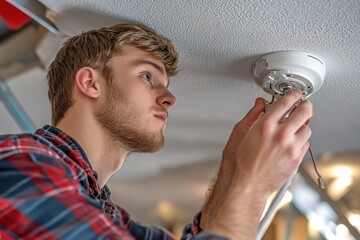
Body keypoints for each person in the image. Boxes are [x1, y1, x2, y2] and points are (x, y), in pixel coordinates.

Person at [0, 22, 313, 239]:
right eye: (147, 76)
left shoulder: (104, 213)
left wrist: (233, 169)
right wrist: (254, 184)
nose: (170, 98)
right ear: (90, 83)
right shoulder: (19, 162)